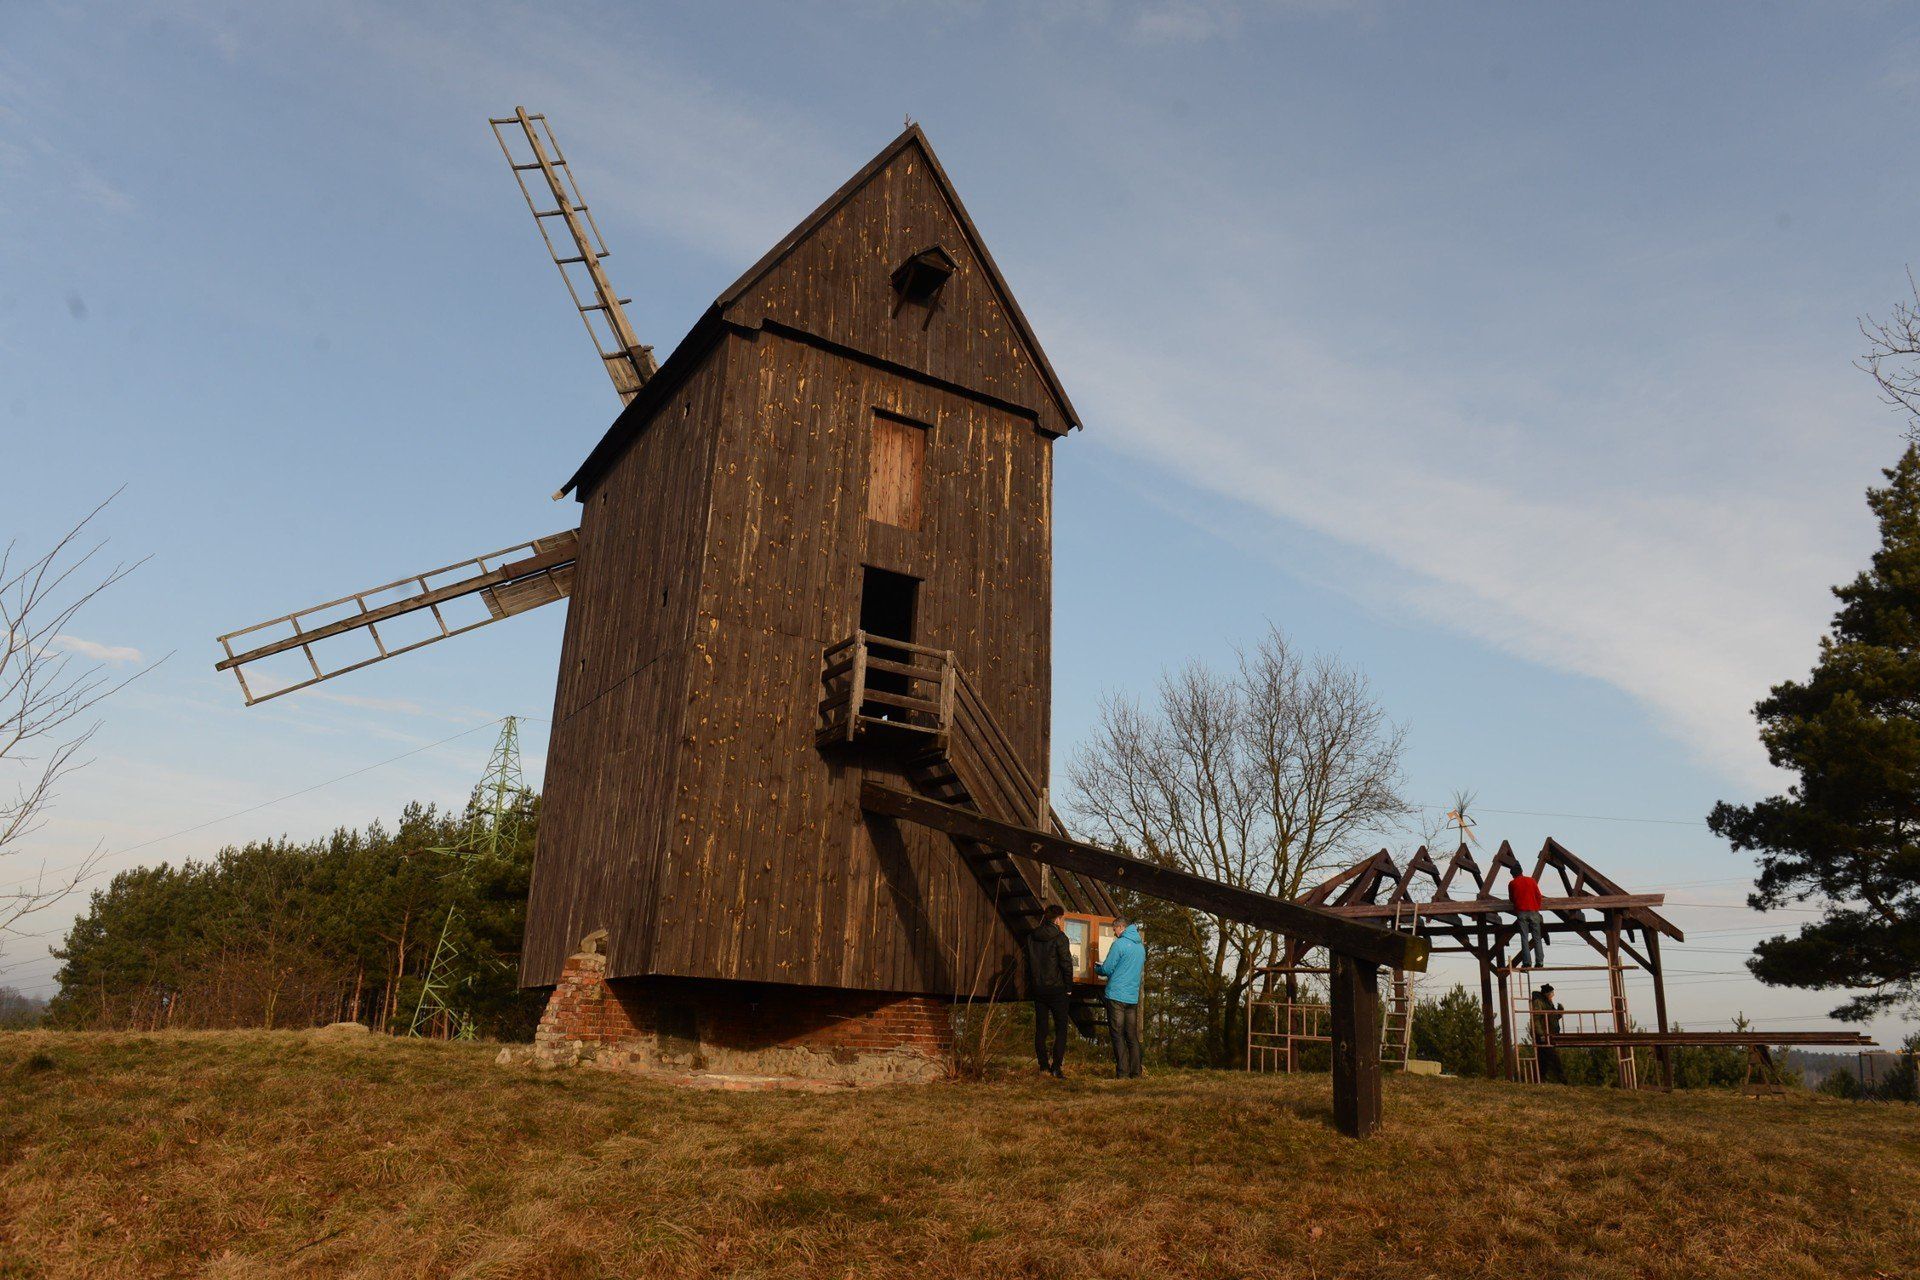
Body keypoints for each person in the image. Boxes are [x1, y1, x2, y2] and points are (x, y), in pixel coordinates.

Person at [1026, 904, 1075, 1078]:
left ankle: (1043, 1066)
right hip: (1057, 989)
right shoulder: (1060, 937)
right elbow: (1066, 964)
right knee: (1061, 1028)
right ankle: (1056, 1067)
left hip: (1038, 989)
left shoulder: (1032, 936)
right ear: (1057, 919)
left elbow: (1029, 963)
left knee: (1041, 1029)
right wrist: (1069, 987)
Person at [1095, 915, 1146, 1078]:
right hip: (1132, 997)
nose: (1114, 933)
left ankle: (1122, 1073)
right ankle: (1136, 1072)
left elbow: (1108, 969)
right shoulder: (1140, 947)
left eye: (1114, 929)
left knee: (1117, 1035)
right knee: (1131, 1036)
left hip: (1116, 995)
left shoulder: (1119, 944)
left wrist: (1098, 969)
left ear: (1121, 927)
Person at [1508, 869, 1546, 968]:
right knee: (1537, 937)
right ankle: (1540, 962)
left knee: (1524, 938)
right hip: (1533, 911)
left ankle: (1527, 962)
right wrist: (1536, 908)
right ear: (1522, 871)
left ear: (1513, 874)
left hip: (1521, 912)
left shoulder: (1512, 883)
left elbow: (1512, 899)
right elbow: (1538, 896)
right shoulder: (1531, 880)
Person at [1531, 983, 1565, 1083]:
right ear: (1547, 993)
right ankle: (1562, 1079)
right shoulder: (1539, 1002)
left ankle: (1540, 1079)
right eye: (1551, 993)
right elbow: (1536, 1019)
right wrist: (1541, 1034)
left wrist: (1560, 1012)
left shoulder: (1548, 1002)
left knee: (1543, 1059)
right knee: (1553, 1057)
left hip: (1549, 1033)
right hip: (1543, 1034)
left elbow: (1553, 1018)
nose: (1553, 995)